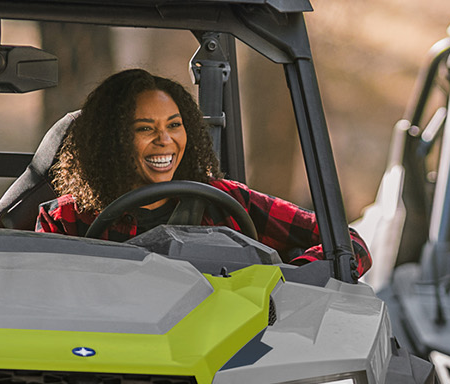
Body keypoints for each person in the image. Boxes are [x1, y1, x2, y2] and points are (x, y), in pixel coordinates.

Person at [36, 69, 371, 276]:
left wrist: (284, 281)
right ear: (112, 140)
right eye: (145, 128)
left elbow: (349, 243)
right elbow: (43, 293)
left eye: (174, 125)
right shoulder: (65, 219)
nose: (165, 140)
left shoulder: (227, 202)